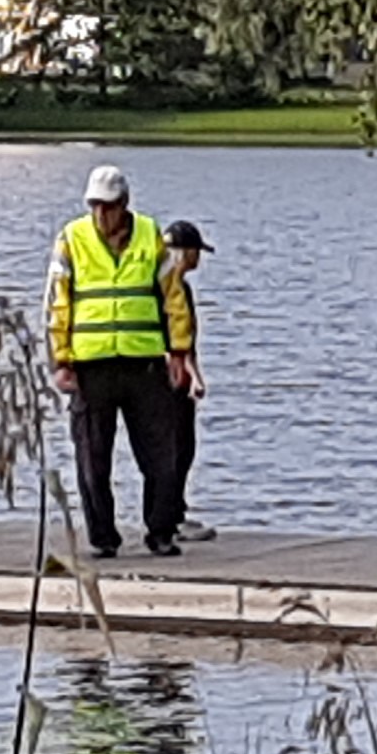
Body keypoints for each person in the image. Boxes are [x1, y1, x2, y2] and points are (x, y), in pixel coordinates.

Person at [48, 162, 191, 558]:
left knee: (160, 455)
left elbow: (174, 300)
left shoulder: (150, 235)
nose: (101, 214)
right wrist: (61, 359)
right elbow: (58, 304)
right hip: (90, 367)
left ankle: (160, 532)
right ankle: (102, 537)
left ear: (124, 203)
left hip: (144, 363)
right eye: (95, 205)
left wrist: (178, 352)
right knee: (92, 460)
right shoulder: (71, 239)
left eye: (108, 206)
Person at [159, 219, 215, 542]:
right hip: (166, 379)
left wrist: (196, 376)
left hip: (183, 378)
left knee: (186, 447)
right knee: (172, 448)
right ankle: (169, 518)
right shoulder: (162, 291)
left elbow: (186, 343)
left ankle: (177, 510)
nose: (197, 259)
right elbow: (165, 342)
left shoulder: (184, 290)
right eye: (195, 252)